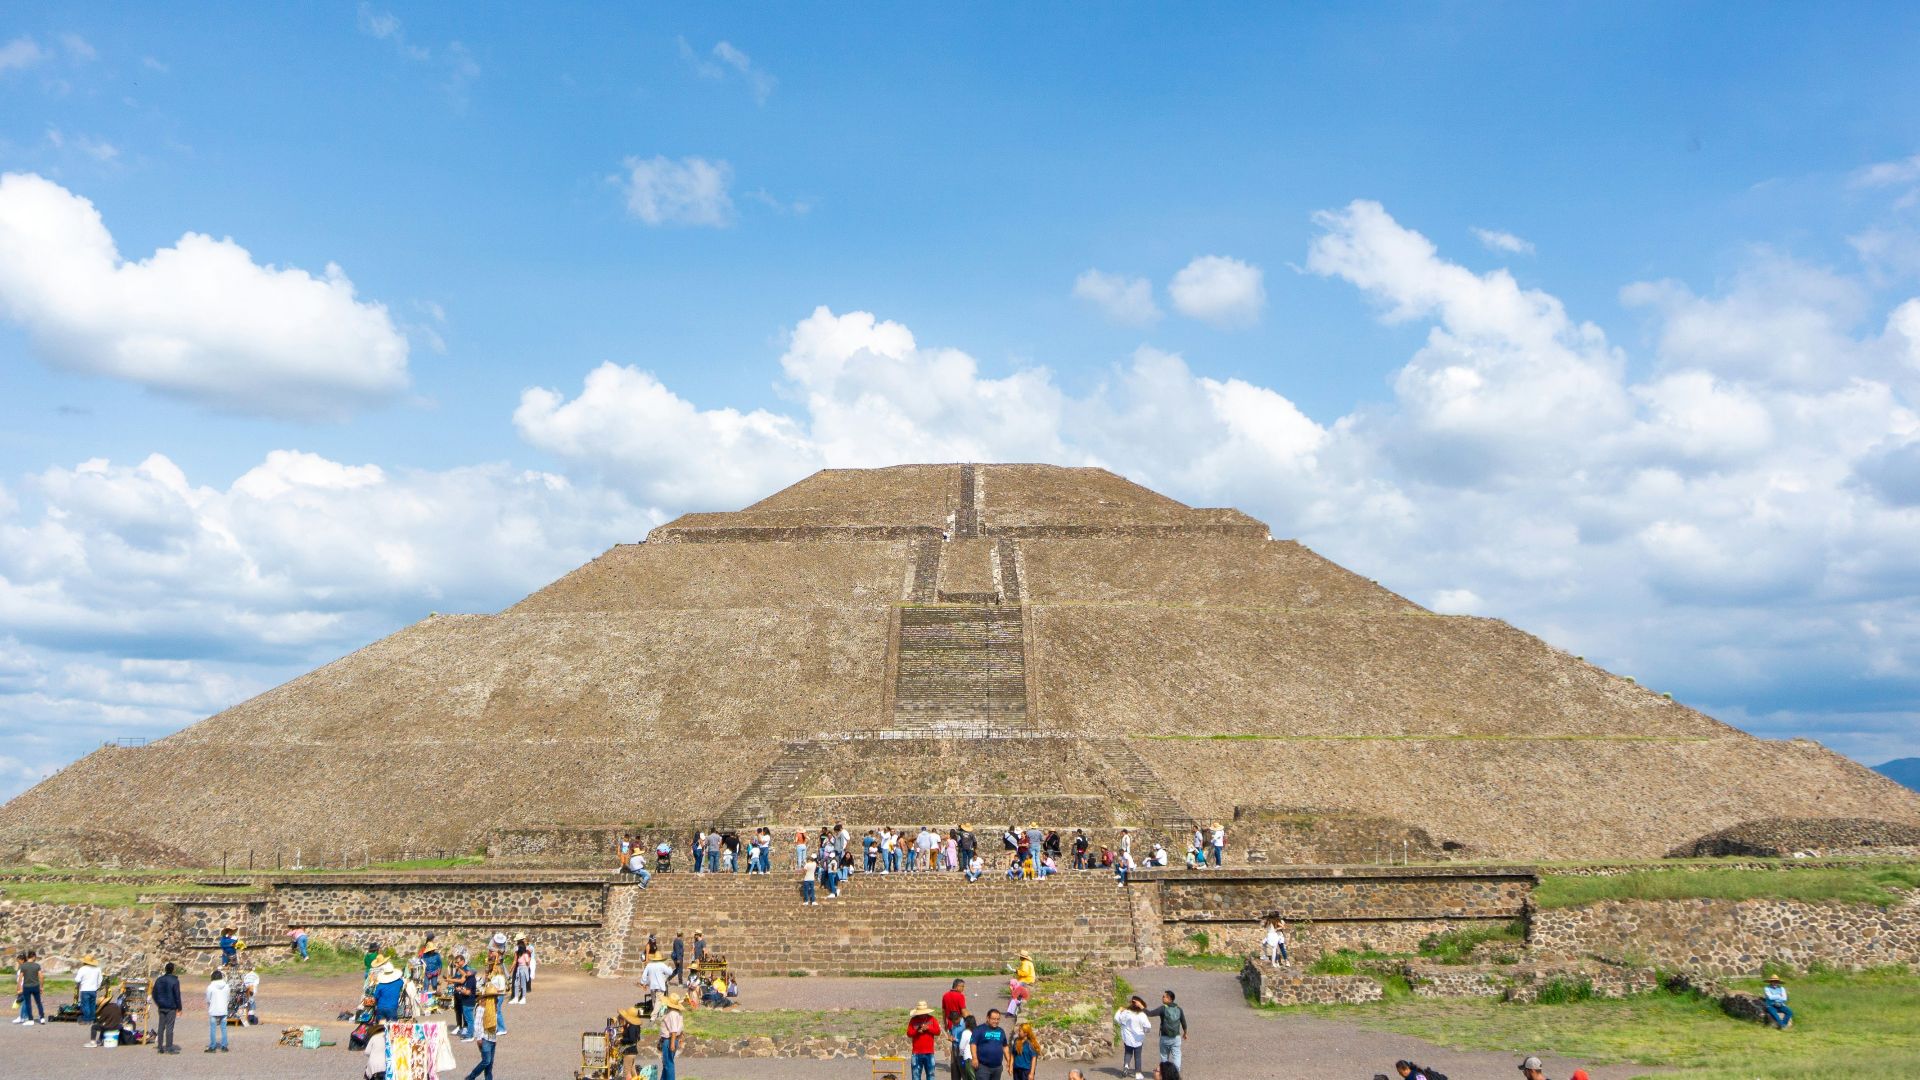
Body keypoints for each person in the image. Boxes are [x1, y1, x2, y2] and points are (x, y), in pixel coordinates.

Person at [463, 975, 502, 1080]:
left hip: (492, 1038)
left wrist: (495, 1038)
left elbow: (494, 1024)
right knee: (486, 1061)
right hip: (484, 1038)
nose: (496, 999)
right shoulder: (481, 1008)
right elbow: (477, 1023)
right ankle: (471, 1077)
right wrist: (479, 1037)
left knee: (490, 1064)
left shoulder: (494, 1009)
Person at [1145, 989, 1186, 1071]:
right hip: (1176, 1037)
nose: (1162, 998)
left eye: (1164, 997)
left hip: (1165, 1037)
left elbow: (1150, 1013)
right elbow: (1183, 1022)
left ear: (1169, 999)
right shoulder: (1179, 1009)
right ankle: (1176, 1072)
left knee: (1164, 1056)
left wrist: (1141, 1007)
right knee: (1177, 1055)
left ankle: (1165, 1073)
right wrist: (1185, 1033)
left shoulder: (1163, 1008)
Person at [1114, 994, 1151, 1079]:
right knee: (1137, 1056)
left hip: (1127, 1038)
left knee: (1128, 1053)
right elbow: (1148, 1027)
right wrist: (1144, 1031)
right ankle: (1138, 1073)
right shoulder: (1142, 1015)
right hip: (1138, 1039)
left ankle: (1126, 1066)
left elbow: (1116, 1019)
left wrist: (1119, 1010)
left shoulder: (1126, 1013)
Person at [152, 961, 182, 1054]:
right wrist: (179, 1007)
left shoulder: (159, 980)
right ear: (173, 970)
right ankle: (169, 1047)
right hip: (171, 1006)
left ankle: (160, 1046)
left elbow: (154, 993)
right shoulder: (175, 981)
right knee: (169, 1027)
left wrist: (158, 1002)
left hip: (161, 1006)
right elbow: (177, 995)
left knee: (161, 1026)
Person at [907, 1000, 942, 1080]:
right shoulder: (913, 1020)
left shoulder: (932, 1019)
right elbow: (909, 1033)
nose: (922, 1015)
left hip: (929, 1052)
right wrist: (917, 1031)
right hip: (916, 1053)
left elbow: (938, 1032)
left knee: (931, 1075)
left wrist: (928, 1028)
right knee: (916, 1076)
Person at [972, 1008, 1009, 1080]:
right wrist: (974, 1058)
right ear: (988, 1018)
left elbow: (1005, 1046)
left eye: (998, 1019)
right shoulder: (979, 1029)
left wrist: (1008, 1060)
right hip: (983, 1067)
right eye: (993, 1019)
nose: (996, 1021)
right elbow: (973, 1044)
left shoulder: (1001, 1031)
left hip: (997, 1067)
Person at [656, 991, 685, 1080]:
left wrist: (672, 1043)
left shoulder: (672, 1014)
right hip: (672, 1039)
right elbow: (680, 1028)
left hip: (669, 1040)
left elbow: (673, 1030)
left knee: (668, 1063)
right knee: (667, 1063)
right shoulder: (678, 1013)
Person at [450, 951, 477, 1039]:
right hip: (457, 992)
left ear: (462, 961)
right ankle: (459, 1026)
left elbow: (462, 980)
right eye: (456, 962)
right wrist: (451, 979)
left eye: (458, 962)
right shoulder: (457, 969)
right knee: (458, 1010)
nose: (456, 964)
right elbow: (456, 978)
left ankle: (466, 1028)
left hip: (464, 992)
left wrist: (451, 980)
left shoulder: (467, 969)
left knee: (466, 1012)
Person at [204, 969, 230, 1053]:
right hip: (223, 1009)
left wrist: (210, 1004)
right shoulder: (226, 986)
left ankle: (213, 1046)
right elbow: (228, 998)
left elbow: (208, 999)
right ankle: (224, 1046)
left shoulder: (210, 987)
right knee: (224, 1028)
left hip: (213, 1009)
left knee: (213, 1028)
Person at [13, 950, 44, 1023]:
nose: (18, 963)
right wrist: (41, 987)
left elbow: (21, 978)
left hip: (26, 987)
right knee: (37, 1002)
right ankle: (41, 1018)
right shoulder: (36, 965)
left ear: (24, 959)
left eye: (18, 961)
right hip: (34, 986)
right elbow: (41, 977)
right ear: (33, 957)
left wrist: (19, 988)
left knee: (26, 1003)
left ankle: (26, 1018)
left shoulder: (24, 966)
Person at [616, 1005, 646, 1080]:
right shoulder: (636, 1026)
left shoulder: (632, 1026)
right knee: (633, 1071)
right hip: (633, 1051)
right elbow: (637, 1039)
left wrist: (621, 1040)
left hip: (629, 1052)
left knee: (626, 1072)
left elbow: (632, 1039)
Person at [74, 954, 102, 1025]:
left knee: (85, 1005)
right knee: (92, 1005)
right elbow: (100, 980)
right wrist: (97, 987)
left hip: (85, 989)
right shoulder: (97, 969)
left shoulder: (82, 969)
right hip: (93, 990)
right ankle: (92, 1019)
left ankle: (86, 1019)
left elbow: (77, 979)